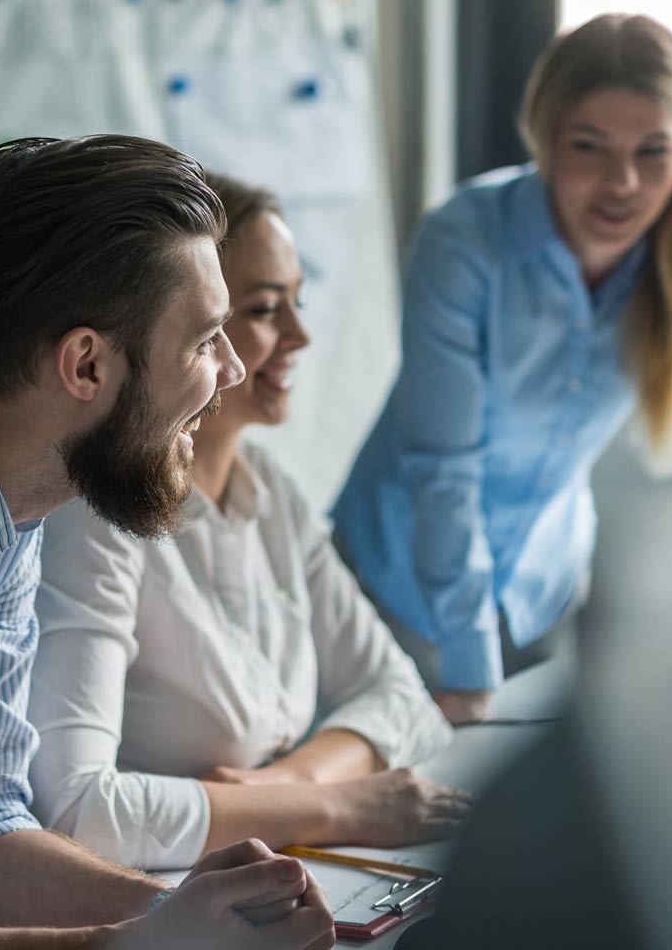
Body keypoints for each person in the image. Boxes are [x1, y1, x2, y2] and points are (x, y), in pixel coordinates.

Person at [0, 135, 335, 949]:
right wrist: (125, 946)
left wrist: (169, 913)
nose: (231, 371)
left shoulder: (10, 488)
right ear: (85, 364)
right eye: (204, 340)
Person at [26, 172, 467, 871]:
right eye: (264, 309)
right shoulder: (96, 515)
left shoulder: (270, 494)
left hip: (273, 861)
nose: (298, 334)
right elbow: (77, 816)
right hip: (156, 896)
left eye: (297, 301)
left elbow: (400, 695)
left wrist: (281, 786)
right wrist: (336, 804)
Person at [333, 13, 672, 724]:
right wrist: (468, 667)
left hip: (542, 589)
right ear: (545, 136)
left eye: (653, 152)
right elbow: (444, 467)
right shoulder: (463, 240)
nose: (621, 183)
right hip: (396, 591)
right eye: (590, 147)